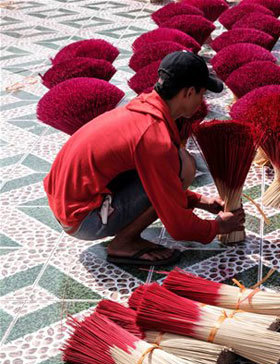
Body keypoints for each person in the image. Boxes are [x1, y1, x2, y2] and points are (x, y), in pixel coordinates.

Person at [44, 51, 245, 266]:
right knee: (183, 166)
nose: (202, 101)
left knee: (172, 165)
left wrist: (201, 202)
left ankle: (123, 236)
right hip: (84, 220)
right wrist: (216, 227)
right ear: (188, 93)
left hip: (66, 205)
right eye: (202, 94)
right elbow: (178, 226)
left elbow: (157, 181)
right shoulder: (153, 136)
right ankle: (124, 244)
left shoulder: (143, 107)